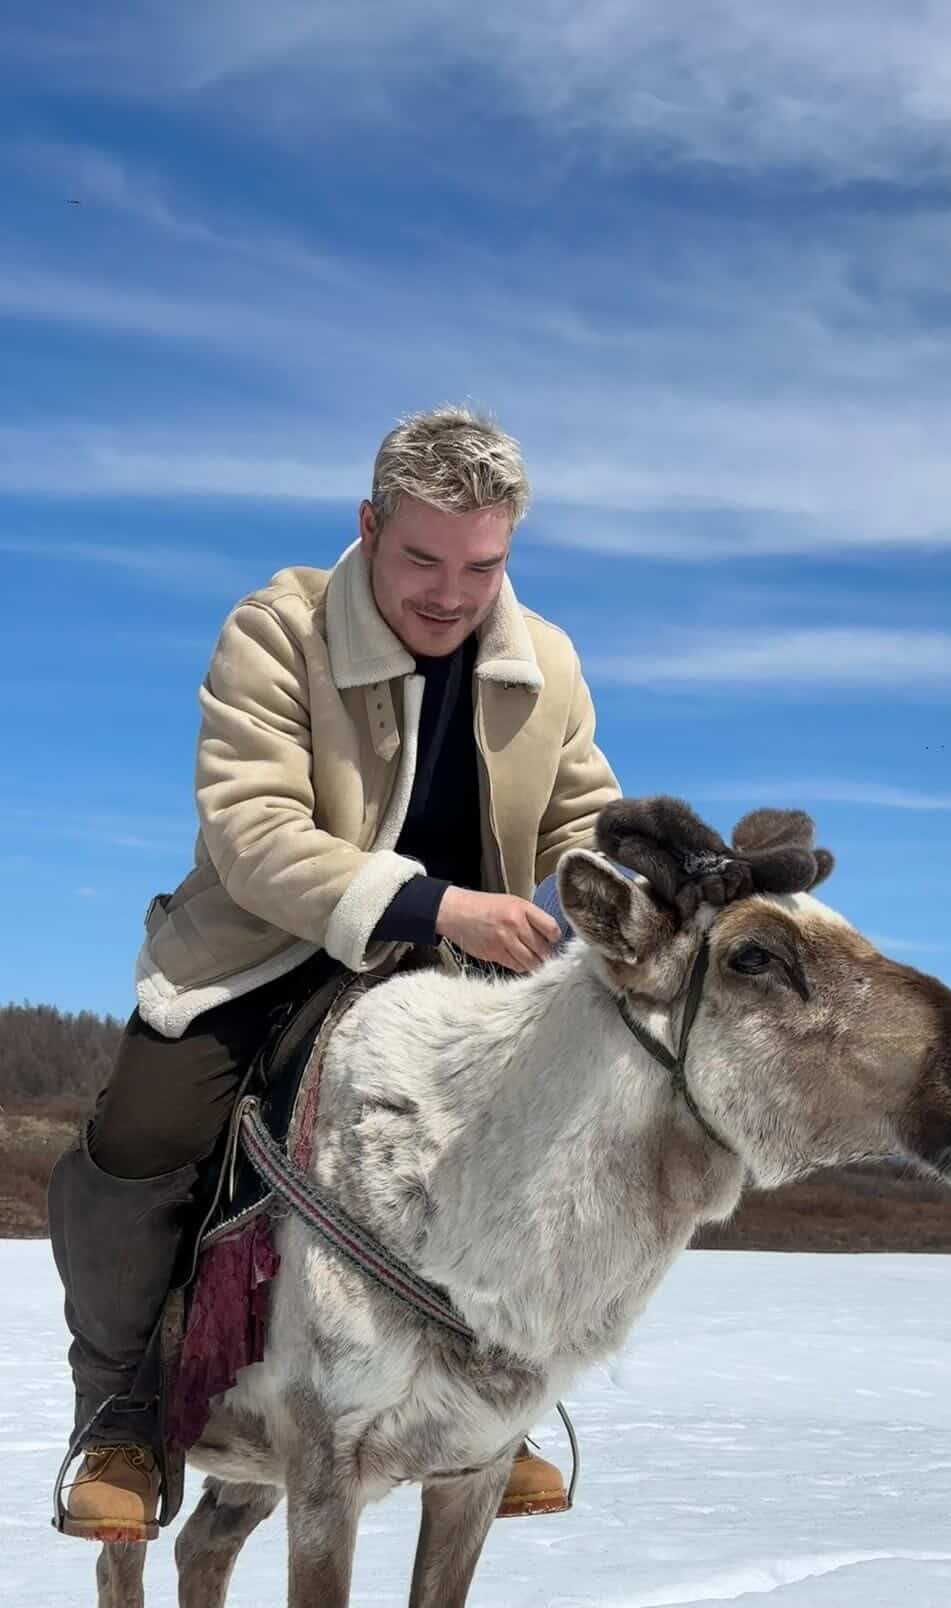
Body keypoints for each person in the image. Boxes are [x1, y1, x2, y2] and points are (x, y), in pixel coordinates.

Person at [48, 406, 622, 1540]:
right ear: (368, 526)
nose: (451, 594)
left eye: (482, 564)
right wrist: (433, 901)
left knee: (566, 1138)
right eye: (421, 558)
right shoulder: (277, 627)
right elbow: (253, 829)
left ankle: (490, 1408)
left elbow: (582, 818)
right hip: (263, 949)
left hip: (465, 981)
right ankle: (118, 1415)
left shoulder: (544, 660)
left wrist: (628, 879)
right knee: (144, 1139)